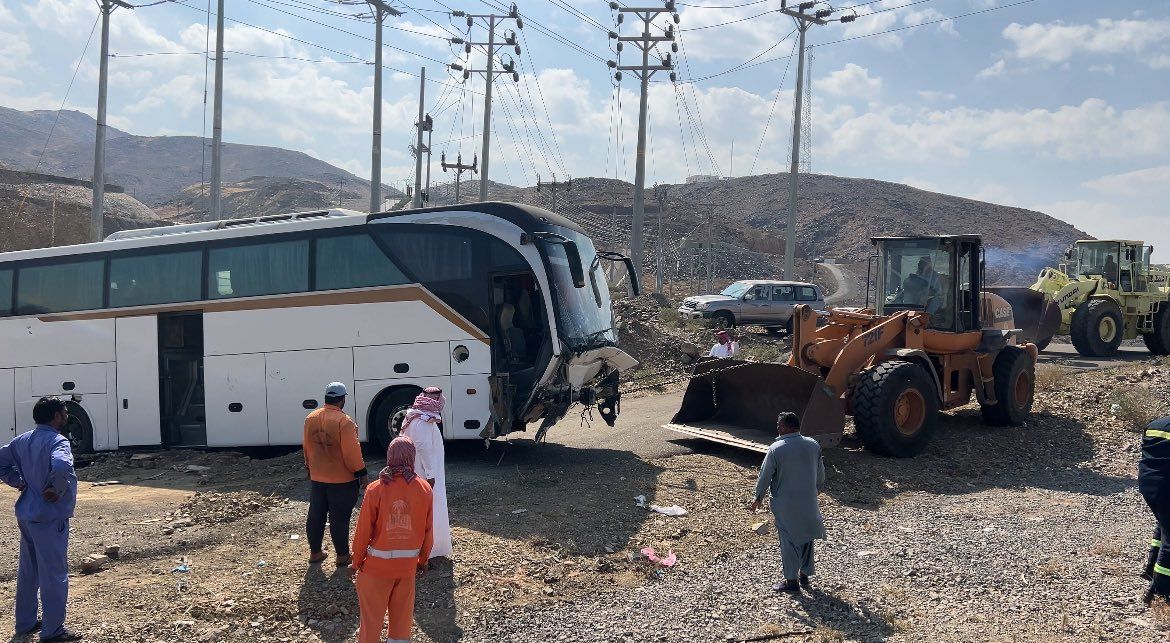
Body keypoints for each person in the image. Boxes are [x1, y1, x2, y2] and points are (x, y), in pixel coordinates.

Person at [0, 397, 83, 642]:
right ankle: (53, 630)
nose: (66, 416)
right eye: (65, 413)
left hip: (27, 514)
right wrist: (54, 490)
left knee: (29, 571)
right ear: (56, 416)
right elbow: (60, 466)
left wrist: (18, 481)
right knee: (54, 574)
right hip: (49, 517)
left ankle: (25, 623)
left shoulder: (22, 440)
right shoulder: (59, 441)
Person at [349, 436, 433, 643]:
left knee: (370, 626)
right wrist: (422, 561)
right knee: (401, 627)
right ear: (412, 458)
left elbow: (363, 532)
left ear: (390, 457)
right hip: (406, 570)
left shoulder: (376, 489)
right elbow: (428, 532)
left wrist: (356, 562)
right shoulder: (424, 489)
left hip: (375, 571)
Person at [750, 411, 826, 593]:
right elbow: (821, 475)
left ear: (785, 426)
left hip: (785, 504)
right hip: (808, 501)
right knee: (807, 537)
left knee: (789, 540)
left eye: (779, 425)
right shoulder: (813, 445)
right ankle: (805, 576)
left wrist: (757, 497)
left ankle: (791, 582)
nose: (777, 428)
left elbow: (765, 476)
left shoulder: (776, 448)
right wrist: (813, 491)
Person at [302, 381, 367, 567]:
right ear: (342, 400)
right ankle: (342, 556)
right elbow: (352, 452)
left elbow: (306, 446)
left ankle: (315, 553)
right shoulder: (344, 422)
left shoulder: (310, 418)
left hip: (317, 477)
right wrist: (361, 473)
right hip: (342, 479)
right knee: (339, 518)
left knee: (316, 514)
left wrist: (309, 468)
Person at [399, 387, 452, 559]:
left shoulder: (414, 416)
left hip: (419, 471)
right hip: (424, 473)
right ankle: (431, 548)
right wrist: (430, 475)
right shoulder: (422, 420)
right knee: (430, 508)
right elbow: (422, 447)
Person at [1139, 417, 1170, 604]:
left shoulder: (1155, 424)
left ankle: (1150, 567)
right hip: (1167, 485)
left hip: (1148, 483)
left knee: (1163, 522)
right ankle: (1161, 590)